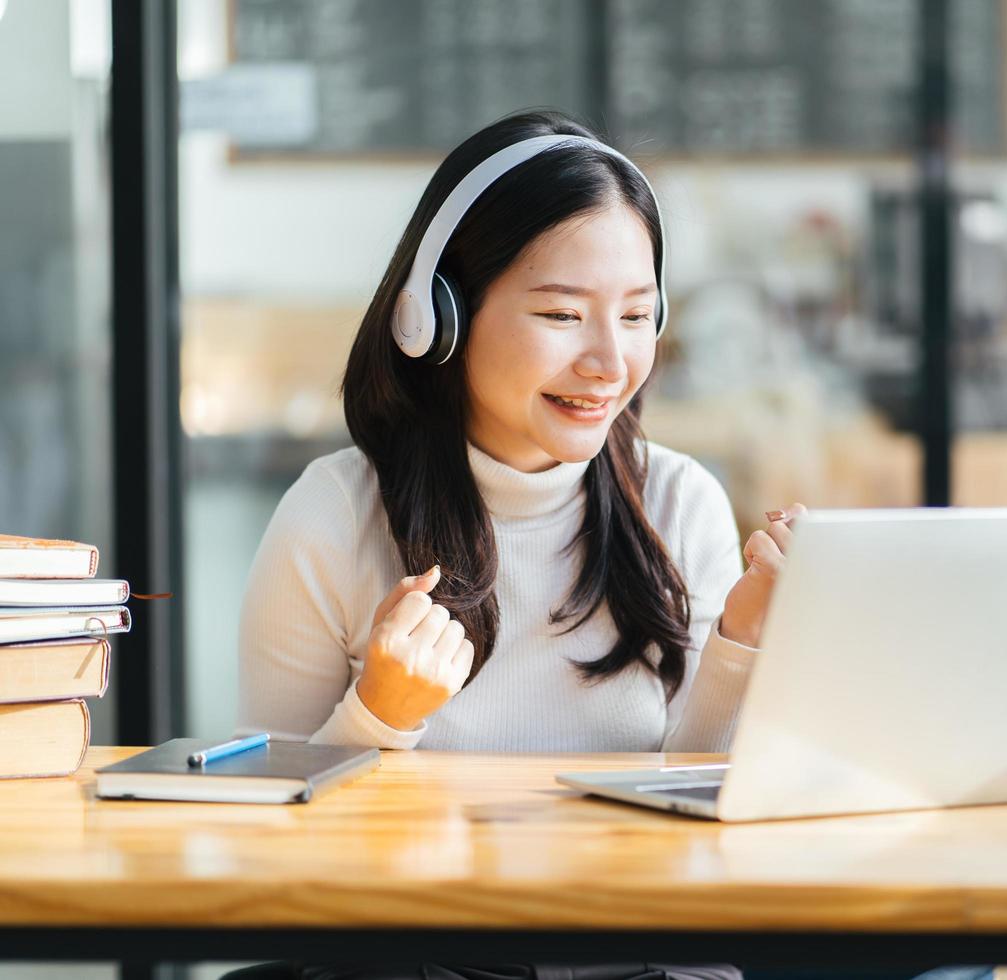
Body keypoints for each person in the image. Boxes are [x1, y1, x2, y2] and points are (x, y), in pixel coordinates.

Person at [235, 109, 804, 980]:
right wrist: (376, 718)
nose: (610, 361)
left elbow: (711, 843)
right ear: (438, 318)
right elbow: (269, 862)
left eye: (639, 315)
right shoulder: (330, 520)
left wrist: (742, 643)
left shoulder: (680, 502)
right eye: (563, 314)